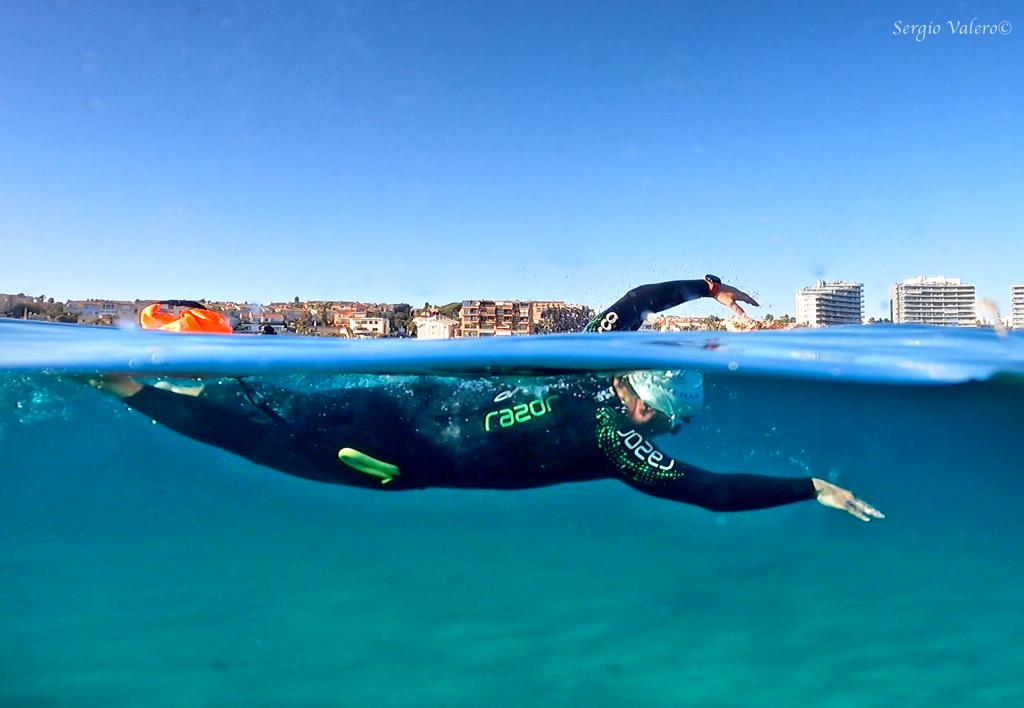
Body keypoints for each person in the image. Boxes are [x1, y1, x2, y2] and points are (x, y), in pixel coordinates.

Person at [92, 276, 883, 521]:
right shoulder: (620, 444)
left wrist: (707, 286)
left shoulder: (592, 359)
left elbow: (637, 301)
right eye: (667, 420)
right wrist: (807, 487)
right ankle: (130, 382)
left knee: (269, 405)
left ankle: (183, 360)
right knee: (252, 434)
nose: (665, 432)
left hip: (398, 397)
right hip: (392, 457)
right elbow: (710, 491)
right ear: (645, 405)